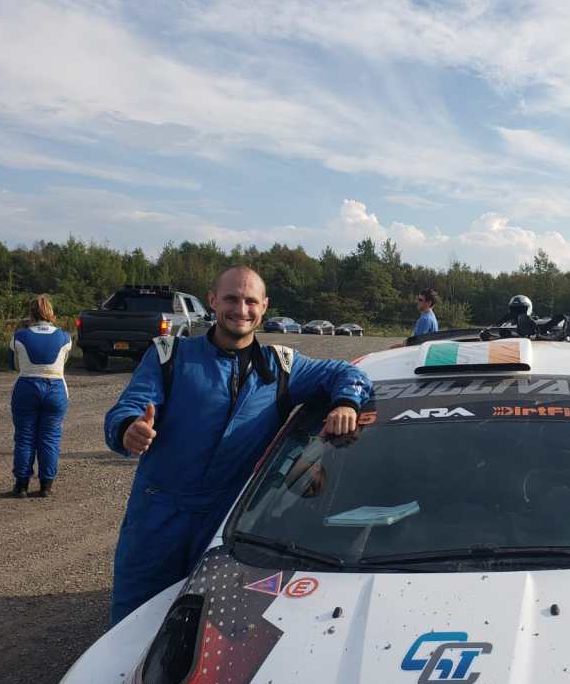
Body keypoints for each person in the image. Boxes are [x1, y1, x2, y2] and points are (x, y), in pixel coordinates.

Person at [104, 266, 371, 625]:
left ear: (264, 306)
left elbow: (348, 373)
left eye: (250, 301)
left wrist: (346, 403)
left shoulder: (282, 367)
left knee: (218, 625)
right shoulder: (170, 355)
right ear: (213, 301)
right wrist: (128, 429)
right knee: (136, 623)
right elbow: (129, 406)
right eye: (231, 299)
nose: (241, 310)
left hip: (226, 523)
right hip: (157, 517)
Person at [8, 295, 72, 497]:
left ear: (31, 313)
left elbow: (15, 365)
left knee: (25, 438)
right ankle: (46, 485)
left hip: (27, 386)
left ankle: (21, 485)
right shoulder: (65, 337)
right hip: (56, 388)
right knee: (50, 438)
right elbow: (63, 362)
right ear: (50, 312)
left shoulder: (19, 336)